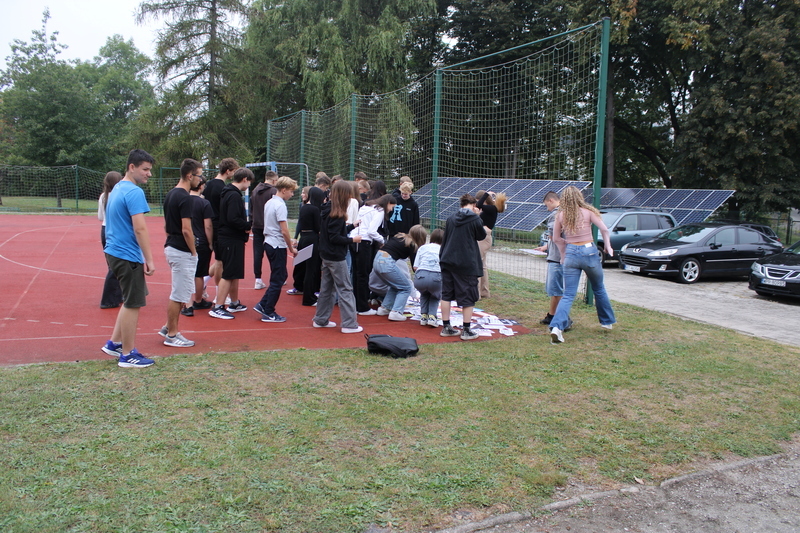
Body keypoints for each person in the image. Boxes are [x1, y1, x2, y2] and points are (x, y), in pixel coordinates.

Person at [100, 149, 157, 368]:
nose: (148, 174)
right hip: (126, 254)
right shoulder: (133, 191)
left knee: (129, 300)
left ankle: (114, 343)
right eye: (145, 169)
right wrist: (149, 259)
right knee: (133, 303)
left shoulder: (117, 188)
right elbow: (140, 228)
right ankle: (128, 354)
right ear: (132, 167)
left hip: (114, 251)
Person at [549, 185, 616, 344]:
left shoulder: (560, 215)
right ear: (579, 197)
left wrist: (564, 254)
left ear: (564, 199)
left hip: (571, 253)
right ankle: (606, 322)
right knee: (598, 288)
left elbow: (556, 238)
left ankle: (557, 328)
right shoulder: (588, 212)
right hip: (589, 252)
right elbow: (604, 230)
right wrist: (608, 246)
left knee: (568, 294)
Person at [158, 158, 201, 347]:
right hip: (181, 250)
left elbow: (167, 225)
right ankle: (172, 335)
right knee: (178, 294)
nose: (200, 180)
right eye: (199, 176)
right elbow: (186, 229)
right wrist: (193, 252)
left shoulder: (171, 194)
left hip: (172, 246)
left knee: (182, 291)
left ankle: (168, 327)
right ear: (190, 176)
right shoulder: (185, 197)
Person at [312, 180, 363, 334]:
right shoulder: (337, 214)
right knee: (345, 289)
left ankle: (320, 319)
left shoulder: (328, 209)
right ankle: (349, 324)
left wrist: (351, 226)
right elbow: (335, 238)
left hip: (326, 255)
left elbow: (332, 233)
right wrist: (352, 240)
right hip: (335, 256)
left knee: (327, 289)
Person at [439, 194, 487, 341]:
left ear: (461, 205)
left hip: (448, 260)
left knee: (446, 294)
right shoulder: (475, 219)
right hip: (466, 263)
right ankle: (466, 330)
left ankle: (446, 327)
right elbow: (481, 236)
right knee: (468, 296)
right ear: (474, 206)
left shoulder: (451, 218)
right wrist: (478, 217)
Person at [209, 167, 252, 319]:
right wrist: (247, 225)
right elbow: (233, 218)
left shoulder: (229, 193)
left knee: (234, 273)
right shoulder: (233, 195)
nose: (249, 185)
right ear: (245, 179)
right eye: (249, 182)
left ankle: (234, 302)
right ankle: (218, 306)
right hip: (230, 238)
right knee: (228, 274)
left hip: (231, 238)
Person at [255, 176, 299, 323]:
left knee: (280, 275)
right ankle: (269, 311)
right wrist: (291, 248)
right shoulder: (280, 205)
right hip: (276, 244)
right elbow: (284, 230)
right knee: (278, 278)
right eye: (291, 191)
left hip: (270, 242)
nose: (292, 194)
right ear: (284, 190)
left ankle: (263, 304)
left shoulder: (270, 202)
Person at [350, 194, 396, 315]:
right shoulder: (379, 211)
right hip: (364, 242)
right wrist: (382, 240)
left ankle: (356, 304)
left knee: (356, 275)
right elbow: (371, 231)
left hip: (355, 240)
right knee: (363, 275)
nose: (391, 210)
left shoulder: (365, 207)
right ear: (388, 203)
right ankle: (362, 307)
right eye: (392, 207)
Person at [373, 225, 427, 321]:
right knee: (406, 287)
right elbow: (414, 266)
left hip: (377, 260)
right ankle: (396, 312)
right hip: (386, 263)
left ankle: (385, 308)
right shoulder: (412, 244)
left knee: (396, 285)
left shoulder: (400, 236)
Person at [204, 158, 239, 303]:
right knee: (220, 261)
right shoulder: (223, 188)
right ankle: (219, 295)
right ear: (228, 171)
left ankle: (204, 280)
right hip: (218, 226)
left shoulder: (208, 184)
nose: (234, 174)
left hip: (208, 223)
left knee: (220, 260)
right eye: (234, 171)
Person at [181, 177, 214, 316]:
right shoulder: (204, 203)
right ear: (201, 186)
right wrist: (210, 242)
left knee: (186, 273)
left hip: (185, 240)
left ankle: (187, 304)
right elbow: (208, 225)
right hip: (201, 241)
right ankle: (198, 300)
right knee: (199, 274)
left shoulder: (183, 200)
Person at [290, 186, 324, 307]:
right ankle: (309, 298)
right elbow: (318, 227)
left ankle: (302, 289)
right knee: (311, 269)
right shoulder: (315, 209)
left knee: (302, 266)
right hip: (312, 239)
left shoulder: (304, 207)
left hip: (303, 238)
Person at [535, 191, 565, 326]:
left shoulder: (555, 215)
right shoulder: (566, 212)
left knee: (557, 290)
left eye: (546, 205)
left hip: (557, 258)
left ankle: (563, 318)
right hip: (559, 256)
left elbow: (555, 236)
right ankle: (551, 315)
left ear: (551, 200)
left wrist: (551, 240)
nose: (547, 208)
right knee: (555, 289)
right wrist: (546, 247)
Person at [475, 189, 507, 299]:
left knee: (477, 264)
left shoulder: (491, 208)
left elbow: (479, 205)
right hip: (484, 236)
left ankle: (476, 293)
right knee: (482, 265)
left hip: (484, 237)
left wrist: (486, 194)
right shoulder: (489, 209)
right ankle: (484, 291)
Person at [98, 171, 123, 309]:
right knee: (116, 266)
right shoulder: (118, 195)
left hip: (104, 229)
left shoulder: (103, 196)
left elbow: (100, 217)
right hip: (115, 231)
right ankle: (108, 299)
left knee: (112, 265)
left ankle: (118, 295)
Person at [250, 170, 278, 290]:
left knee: (257, 253)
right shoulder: (273, 191)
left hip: (257, 225)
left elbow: (251, 208)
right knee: (274, 252)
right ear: (274, 180)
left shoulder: (255, 190)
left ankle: (258, 279)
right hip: (269, 226)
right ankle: (276, 277)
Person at [414, 228, 444, 327]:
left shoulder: (422, 248)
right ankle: (432, 316)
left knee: (424, 293)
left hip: (421, 275)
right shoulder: (443, 249)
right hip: (436, 276)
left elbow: (415, 266)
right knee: (435, 296)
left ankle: (423, 316)